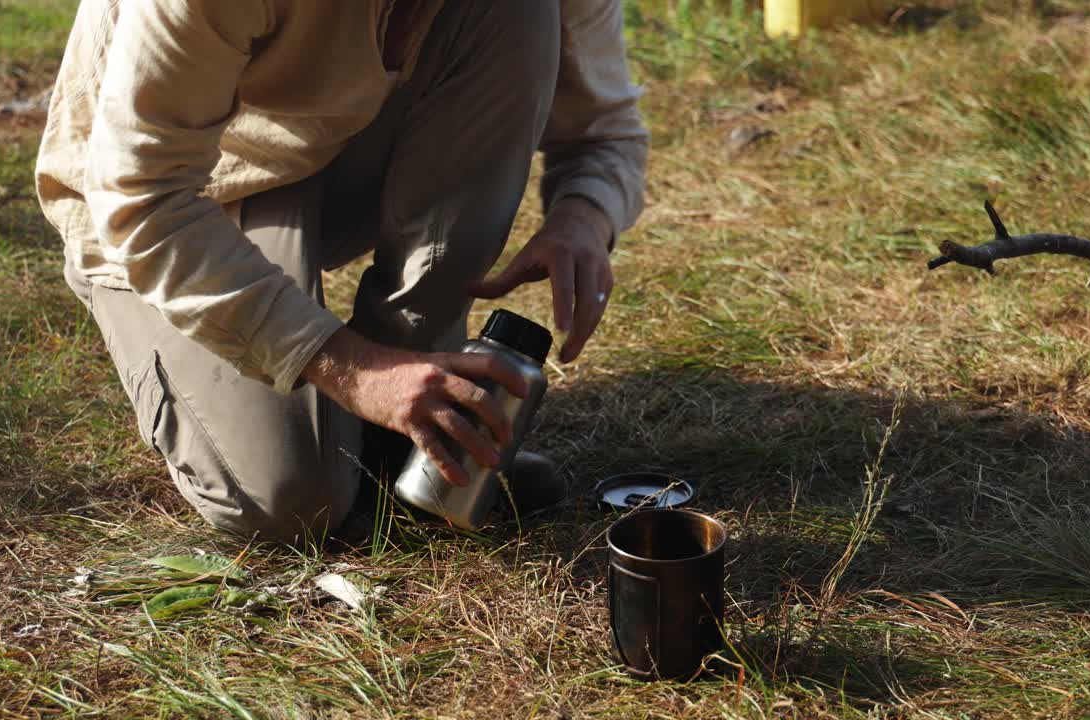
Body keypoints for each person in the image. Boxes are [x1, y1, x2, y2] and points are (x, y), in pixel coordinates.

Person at [35, 0, 648, 542]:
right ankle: (367, 406)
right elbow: (145, 198)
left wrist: (583, 216)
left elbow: (605, 130)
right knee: (293, 498)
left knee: (518, 11)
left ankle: (408, 402)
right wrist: (357, 372)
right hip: (185, 194)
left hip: (338, 145)